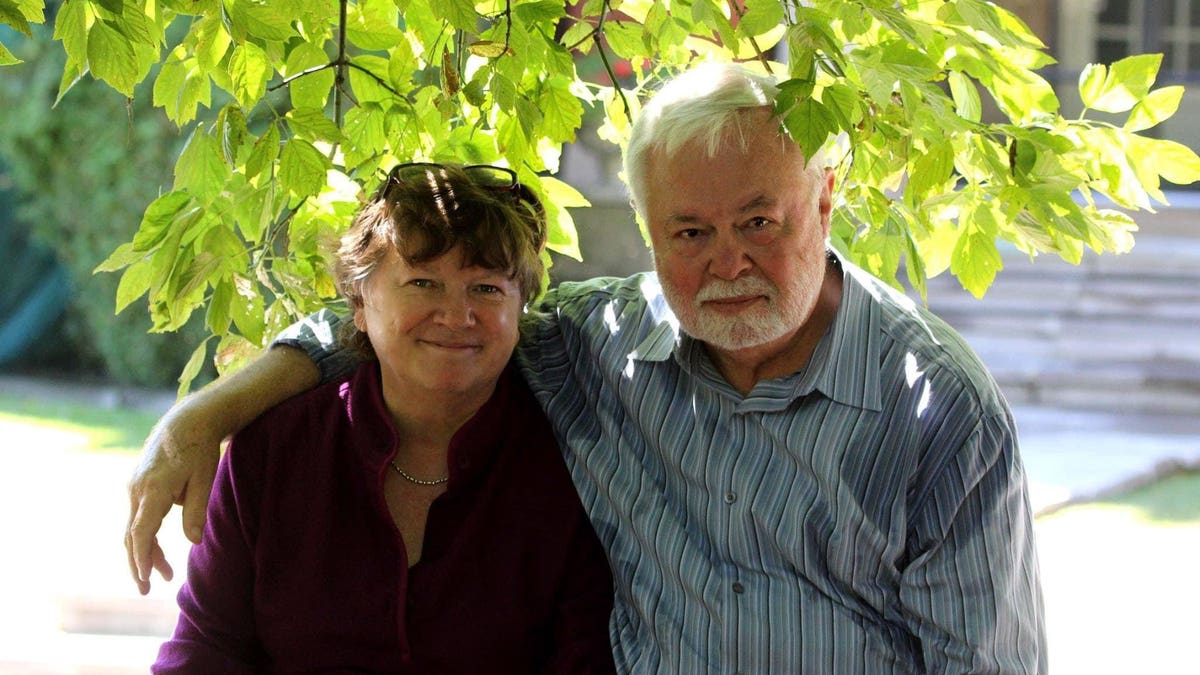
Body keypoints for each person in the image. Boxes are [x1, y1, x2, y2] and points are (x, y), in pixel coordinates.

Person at [129, 62, 1047, 673]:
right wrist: (199, 418)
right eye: (691, 232)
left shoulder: (936, 412)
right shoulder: (599, 345)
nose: (727, 262)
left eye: (759, 222)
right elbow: (414, 323)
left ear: (826, 199)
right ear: (650, 235)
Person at [151, 162, 616, 673]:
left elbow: (584, 656)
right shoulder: (274, 448)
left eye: (486, 288)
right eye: (422, 282)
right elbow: (205, 647)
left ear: (521, 307)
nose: (456, 315)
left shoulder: (568, 462)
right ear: (358, 304)